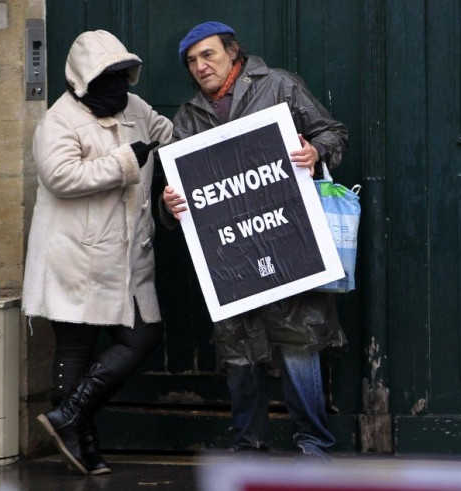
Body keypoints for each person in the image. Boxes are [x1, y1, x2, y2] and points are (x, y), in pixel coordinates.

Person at [160, 21, 348, 460]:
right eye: (192, 61)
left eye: (208, 55)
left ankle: (313, 445)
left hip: (285, 239)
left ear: (233, 51)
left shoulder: (277, 85)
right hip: (231, 254)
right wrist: (170, 202)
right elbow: (177, 190)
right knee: (240, 352)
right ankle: (249, 445)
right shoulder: (187, 117)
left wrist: (316, 152)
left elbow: (333, 132)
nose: (200, 66)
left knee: (299, 346)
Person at [22, 29, 173, 475]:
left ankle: (68, 417)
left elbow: (170, 135)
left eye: (122, 76)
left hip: (128, 257)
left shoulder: (137, 108)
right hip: (75, 255)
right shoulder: (59, 120)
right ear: (83, 80)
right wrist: (128, 161)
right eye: (106, 78)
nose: (117, 88)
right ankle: (82, 444)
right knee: (75, 346)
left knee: (144, 335)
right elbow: (61, 176)